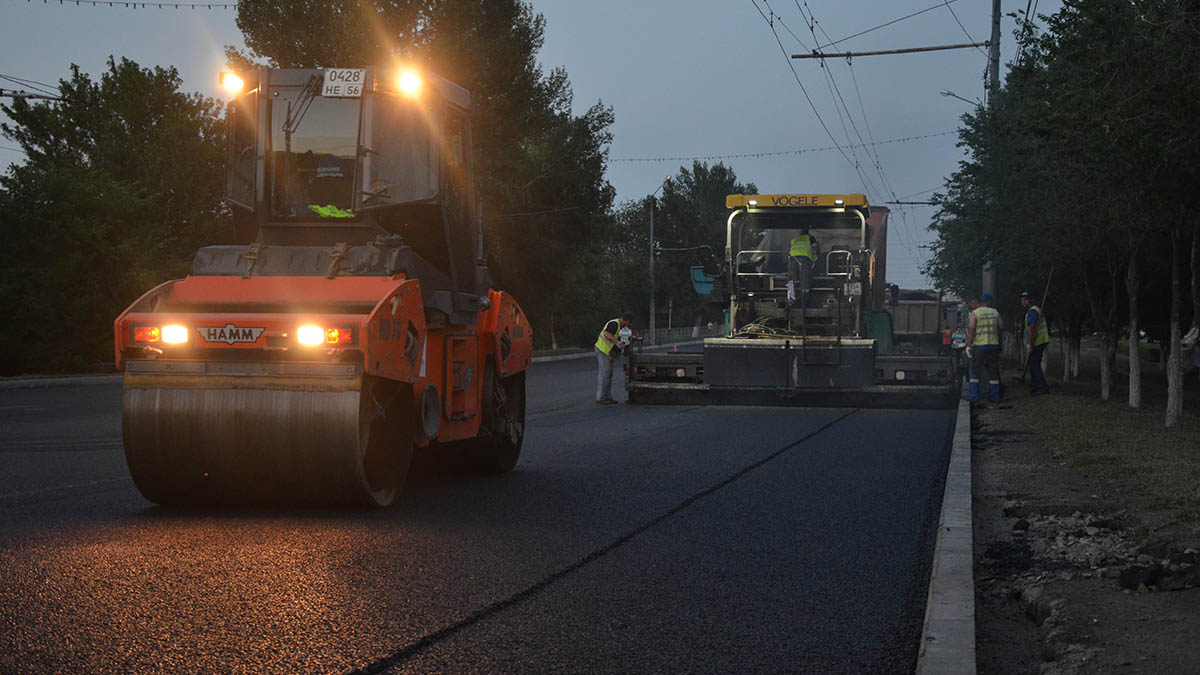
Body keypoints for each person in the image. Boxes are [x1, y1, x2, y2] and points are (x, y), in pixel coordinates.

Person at [965, 293, 1004, 403]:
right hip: (993, 346)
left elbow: (972, 329)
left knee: (974, 371)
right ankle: (995, 397)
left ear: (980, 302)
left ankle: (974, 396)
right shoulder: (995, 312)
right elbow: (1001, 327)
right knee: (993, 372)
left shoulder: (975, 313)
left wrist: (968, 345)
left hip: (980, 347)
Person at [595, 313, 634, 404]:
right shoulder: (614, 324)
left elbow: (624, 341)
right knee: (605, 374)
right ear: (626, 320)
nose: (629, 325)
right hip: (603, 351)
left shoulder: (622, 328)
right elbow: (606, 333)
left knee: (609, 374)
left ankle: (607, 396)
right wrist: (616, 342)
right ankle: (601, 397)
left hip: (608, 352)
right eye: (629, 323)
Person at [1021, 291, 1051, 395]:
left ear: (1030, 300)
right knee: (1033, 364)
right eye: (1022, 300)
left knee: (1034, 365)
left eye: (1025, 299)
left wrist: (1029, 343)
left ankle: (1043, 387)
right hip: (1040, 340)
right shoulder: (1034, 310)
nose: (1023, 302)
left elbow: (1032, 328)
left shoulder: (1033, 311)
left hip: (1037, 341)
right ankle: (1034, 386)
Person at [787, 229, 820, 307]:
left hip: (792, 259)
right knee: (805, 280)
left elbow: (789, 249)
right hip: (804, 258)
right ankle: (804, 303)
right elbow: (815, 247)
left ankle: (792, 301)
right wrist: (817, 256)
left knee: (792, 281)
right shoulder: (810, 238)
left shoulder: (794, 239)